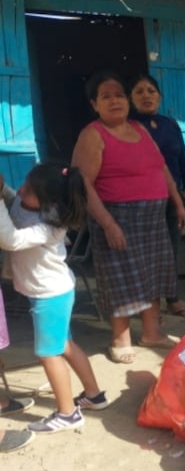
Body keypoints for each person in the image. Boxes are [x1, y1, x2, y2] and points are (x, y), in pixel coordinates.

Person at [71, 70, 185, 365]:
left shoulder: (140, 128)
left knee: (153, 276)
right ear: (94, 104)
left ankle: (152, 333)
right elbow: (82, 184)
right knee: (120, 280)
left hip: (152, 218)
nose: (115, 101)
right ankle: (119, 339)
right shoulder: (93, 135)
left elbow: (162, 169)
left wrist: (178, 204)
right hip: (116, 216)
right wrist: (108, 224)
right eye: (106, 96)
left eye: (119, 95)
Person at [0, 163, 110, 433]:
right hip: (53, 292)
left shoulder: (50, 226)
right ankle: (94, 395)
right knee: (65, 345)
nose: (23, 190)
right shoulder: (25, 203)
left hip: (49, 296)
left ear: (48, 201)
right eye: (24, 183)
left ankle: (67, 413)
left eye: (30, 190)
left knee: (49, 353)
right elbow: (14, 200)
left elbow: (11, 239)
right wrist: (3, 189)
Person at [129, 73, 185, 318]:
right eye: (139, 91)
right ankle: (144, 302)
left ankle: (173, 299)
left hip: (174, 196)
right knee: (145, 250)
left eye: (151, 91)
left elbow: (183, 159)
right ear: (130, 98)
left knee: (171, 248)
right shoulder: (129, 127)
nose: (146, 95)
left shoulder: (169, 124)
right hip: (143, 198)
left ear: (160, 96)